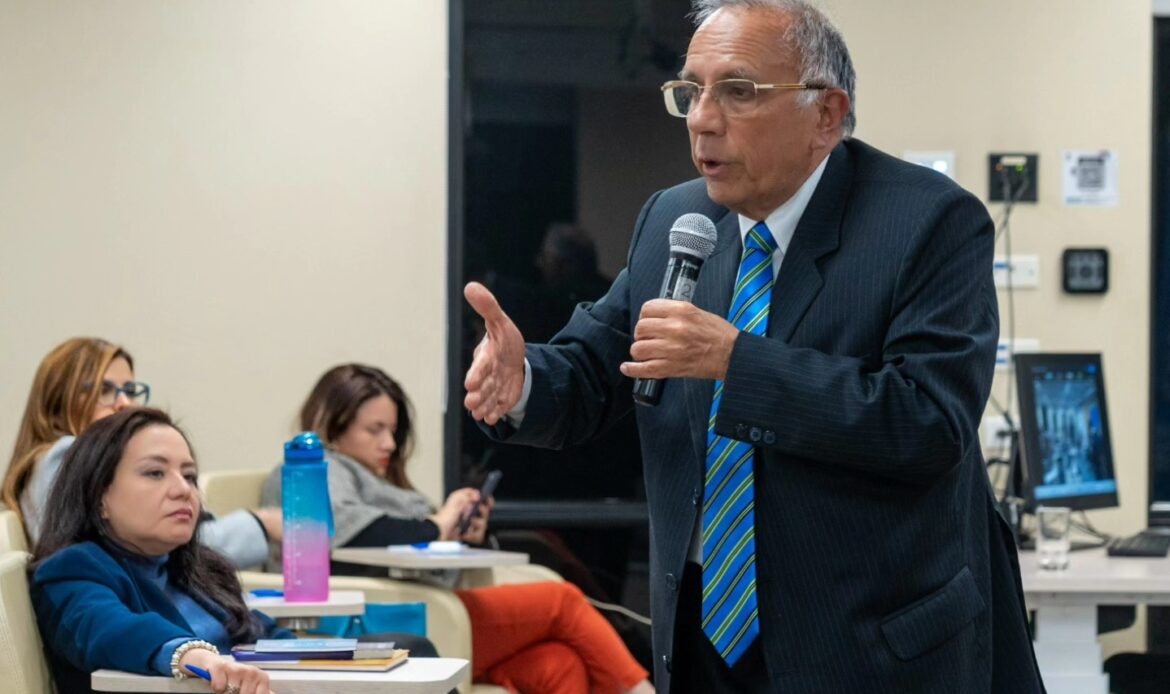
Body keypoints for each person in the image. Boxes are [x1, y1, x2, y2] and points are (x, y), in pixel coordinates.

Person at [462, 1, 1044, 692]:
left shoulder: (928, 223)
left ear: (825, 114)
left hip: (868, 647)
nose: (702, 119)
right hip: (703, 640)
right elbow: (594, 370)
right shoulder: (675, 219)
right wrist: (522, 381)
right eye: (691, 92)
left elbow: (928, 422)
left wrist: (738, 363)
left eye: (737, 91)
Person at [261, 364, 653, 694]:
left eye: (393, 431)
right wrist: (437, 525)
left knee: (557, 663)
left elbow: (408, 538)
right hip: (393, 617)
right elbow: (346, 532)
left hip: (429, 604)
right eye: (374, 429)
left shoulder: (378, 478)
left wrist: (462, 534)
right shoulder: (316, 470)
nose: (389, 444)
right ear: (332, 427)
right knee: (561, 600)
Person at [29, 408, 438, 694]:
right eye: (155, 473)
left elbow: (262, 636)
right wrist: (194, 655)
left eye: (189, 476)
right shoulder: (73, 569)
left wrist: (338, 658)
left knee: (409, 651)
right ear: (99, 495)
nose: (183, 489)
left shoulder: (192, 569)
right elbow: (109, 630)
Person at [3, 337, 278, 567]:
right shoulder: (64, 455)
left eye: (130, 390)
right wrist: (261, 523)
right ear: (55, 405)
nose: (124, 403)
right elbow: (158, 546)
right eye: (104, 390)